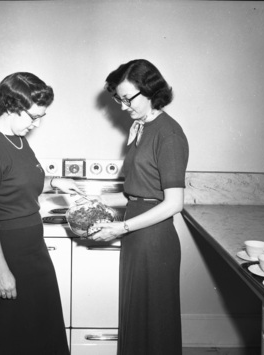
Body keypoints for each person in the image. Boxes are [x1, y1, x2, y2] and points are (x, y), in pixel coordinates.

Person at [0, 72, 79, 354]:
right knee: (12, 338)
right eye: (33, 116)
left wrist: (54, 182)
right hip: (6, 254)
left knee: (42, 331)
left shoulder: (19, 141)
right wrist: (2, 272)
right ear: (10, 106)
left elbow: (20, 184)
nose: (37, 123)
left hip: (33, 250)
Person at [91, 59, 189, 355]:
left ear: (150, 90)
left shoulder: (168, 134)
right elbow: (137, 194)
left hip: (153, 239)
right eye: (118, 99)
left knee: (155, 325)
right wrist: (95, 199)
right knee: (137, 319)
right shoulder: (142, 127)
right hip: (137, 234)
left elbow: (174, 203)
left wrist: (120, 227)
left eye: (127, 99)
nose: (122, 106)